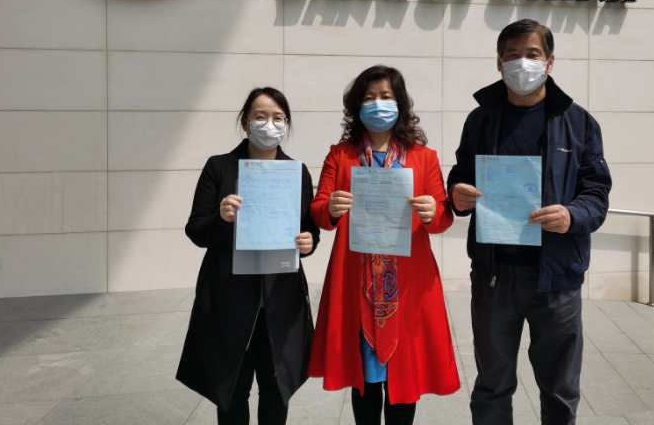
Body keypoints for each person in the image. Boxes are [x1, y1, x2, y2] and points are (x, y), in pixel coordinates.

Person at [447, 19, 612, 425]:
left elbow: (597, 194)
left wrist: (572, 215)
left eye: (532, 54)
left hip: (557, 279)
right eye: (512, 55)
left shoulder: (579, 123)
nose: (522, 63)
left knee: (559, 390)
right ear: (499, 62)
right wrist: (458, 196)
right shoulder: (481, 120)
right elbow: (459, 176)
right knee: (492, 386)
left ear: (550, 62)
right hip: (494, 276)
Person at [308, 65, 460, 425]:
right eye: (370, 98)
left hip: (407, 283)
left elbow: (443, 216)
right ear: (356, 107)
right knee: (364, 379)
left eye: (386, 96)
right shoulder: (341, 155)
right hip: (356, 280)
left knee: (405, 376)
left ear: (401, 104)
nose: (378, 104)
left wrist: (431, 212)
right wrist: (329, 208)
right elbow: (318, 208)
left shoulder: (423, 157)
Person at [176, 87, 319, 425]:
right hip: (228, 297)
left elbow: (310, 229)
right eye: (260, 116)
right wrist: (221, 216)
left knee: (276, 388)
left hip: (280, 299)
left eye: (278, 118)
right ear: (244, 122)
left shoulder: (297, 171)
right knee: (231, 391)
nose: (269, 124)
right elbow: (196, 230)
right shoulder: (220, 168)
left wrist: (309, 241)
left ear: (287, 125)